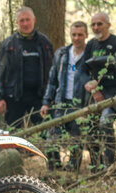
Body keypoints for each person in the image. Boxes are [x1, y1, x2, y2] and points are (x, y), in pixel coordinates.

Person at [80, 13, 116, 171]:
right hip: (93, 96)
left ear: (108, 24)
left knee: (105, 122)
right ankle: (95, 164)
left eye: (99, 24)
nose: (96, 28)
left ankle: (109, 163)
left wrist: (101, 84)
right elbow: (81, 70)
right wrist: (92, 87)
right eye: (93, 24)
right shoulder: (91, 45)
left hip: (113, 95)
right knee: (91, 126)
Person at [0, 6, 53, 129]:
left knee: (45, 131)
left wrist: (51, 95)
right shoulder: (8, 45)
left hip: (39, 97)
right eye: (22, 20)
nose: (25, 23)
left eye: (28, 20)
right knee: (12, 132)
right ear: (17, 22)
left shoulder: (44, 43)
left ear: (34, 20)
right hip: (14, 97)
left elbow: (53, 70)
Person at [40, 21, 89, 171]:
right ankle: (54, 169)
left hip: (80, 104)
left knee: (76, 138)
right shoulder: (62, 54)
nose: (77, 38)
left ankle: (72, 170)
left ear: (86, 35)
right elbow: (53, 80)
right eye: (74, 34)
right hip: (61, 102)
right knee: (52, 136)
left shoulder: (89, 55)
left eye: (80, 35)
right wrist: (46, 102)